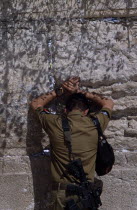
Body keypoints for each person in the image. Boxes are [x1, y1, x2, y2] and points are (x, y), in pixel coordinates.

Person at [30, 77, 114, 210]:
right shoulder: (95, 123)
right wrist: (80, 91)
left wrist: (60, 90)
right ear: (86, 111)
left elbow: (36, 103)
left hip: (61, 196)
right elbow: (108, 102)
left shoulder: (55, 123)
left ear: (65, 111)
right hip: (86, 195)